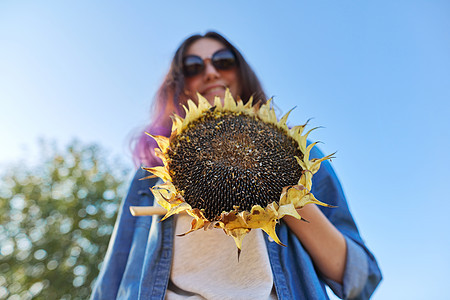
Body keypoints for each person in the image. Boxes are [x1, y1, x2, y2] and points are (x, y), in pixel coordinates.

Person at [91, 31, 382, 300]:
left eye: (224, 61)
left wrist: (285, 188)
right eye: (193, 66)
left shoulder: (299, 154)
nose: (211, 72)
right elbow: (112, 279)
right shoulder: (150, 172)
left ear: (241, 72)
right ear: (179, 84)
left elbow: (360, 278)